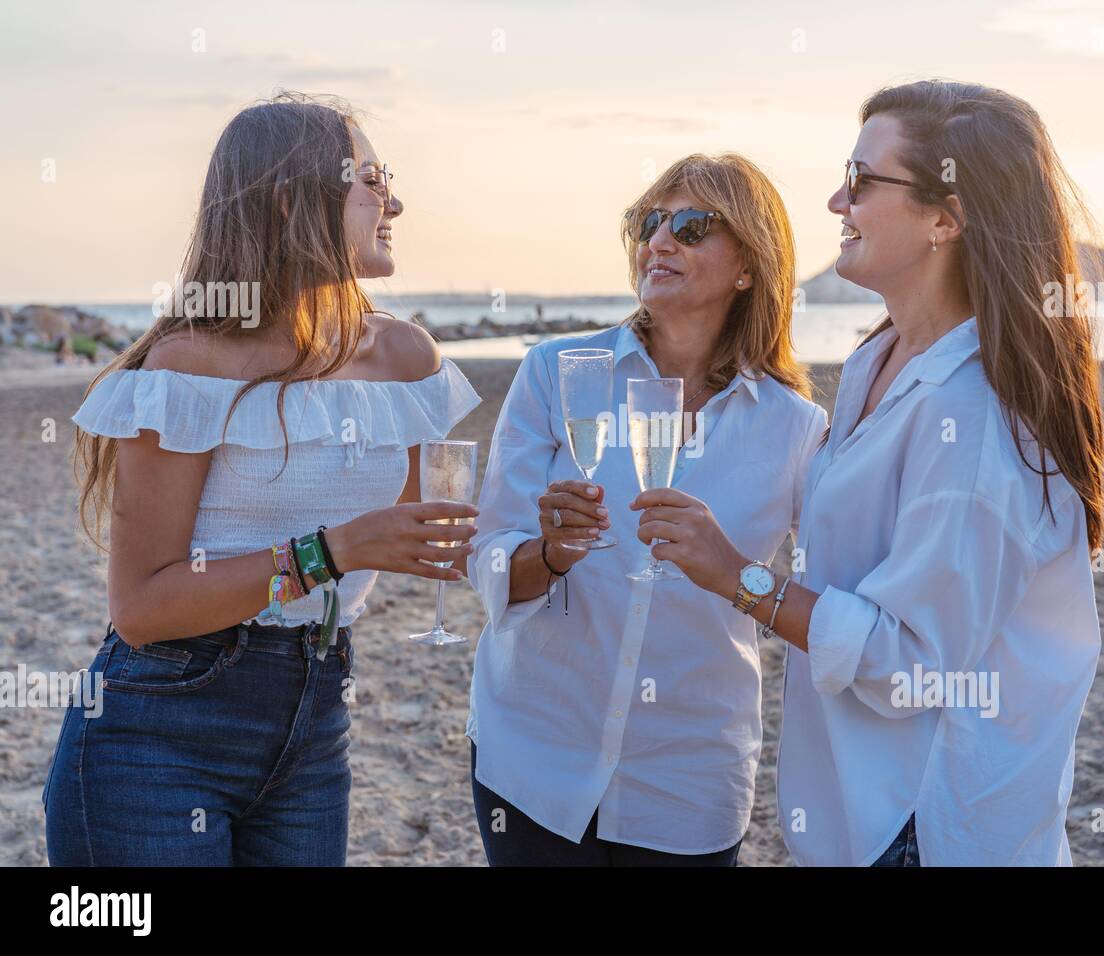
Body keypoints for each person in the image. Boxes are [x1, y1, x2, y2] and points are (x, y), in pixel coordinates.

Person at [632, 80, 1104, 866]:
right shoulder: (875, 359)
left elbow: (912, 665)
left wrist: (739, 579)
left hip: (930, 824)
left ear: (945, 218)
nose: (834, 201)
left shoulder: (976, 415)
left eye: (860, 181)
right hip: (857, 810)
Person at [45, 93, 481, 866]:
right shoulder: (189, 366)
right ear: (291, 201)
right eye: (373, 181)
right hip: (159, 728)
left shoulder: (407, 358)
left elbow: (437, 526)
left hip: (317, 721)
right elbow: (143, 608)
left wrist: (548, 532)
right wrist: (332, 551)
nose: (396, 202)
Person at [466, 153, 827, 865]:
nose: (659, 241)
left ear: (749, 267)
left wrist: (733, 575)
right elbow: (488, 556)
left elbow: (825, 604)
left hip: (689, 777)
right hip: (533, 757)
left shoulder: (795, 428)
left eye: (691, 226)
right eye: (648, 222)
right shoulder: (556, 371)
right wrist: (551, 554)